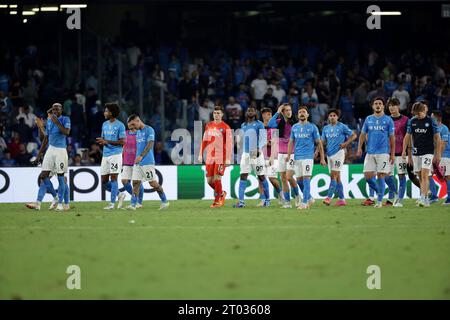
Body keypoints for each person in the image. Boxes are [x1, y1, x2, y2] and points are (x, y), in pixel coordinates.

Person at [31, 103, 71, 211]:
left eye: (57, 109)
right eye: (53, 110)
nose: (55, 111)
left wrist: (56, 122)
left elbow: (67, 132)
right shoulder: (49, 121)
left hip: (61, 150)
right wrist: (38, 155)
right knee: (43, 176)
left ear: (61, 110)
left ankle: (61, 204)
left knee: (61, 177)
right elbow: (45, 138)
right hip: (51, 149)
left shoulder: (65, 119)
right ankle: (56, 197)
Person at [357, 97, 395, 208]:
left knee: (381, 176)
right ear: (373, 106)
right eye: (375, 104)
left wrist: (392, 154)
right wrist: (360, 147)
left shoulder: (388, 120)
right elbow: (363, 134)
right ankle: (381, 193)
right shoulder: (368, 119)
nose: (378, 105)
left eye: (380, 103)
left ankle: (378, 201)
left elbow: (392, 138)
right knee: (367, 176)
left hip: (383, 153)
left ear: (383, 106)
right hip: (370, 152)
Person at [286, 106, 326, 210]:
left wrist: (322, 158)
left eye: (304, 112)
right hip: (297, 157)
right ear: (297, 115)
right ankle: (310, 197)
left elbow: (319, 143)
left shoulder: (312, 127)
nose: (302, 113)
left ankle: (304, 203)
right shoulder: (294, 127)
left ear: (307, 115)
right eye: (300, 112)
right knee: (299, 181)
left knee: (306, 179)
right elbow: (291, 142)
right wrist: (289, 155)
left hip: (308, 157)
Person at [402, 102, 441, 207]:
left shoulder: (431, 121)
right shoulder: (412, 121)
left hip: (428, 152)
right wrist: (403, 150)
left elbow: (437, 137)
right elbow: (407, 135)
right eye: (415, 113)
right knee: (419, 175)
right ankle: (423, 196)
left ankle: (425, 199)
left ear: (422, 111)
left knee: (425, 175)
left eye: (418, 113)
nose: (416, 115)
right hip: (416, 152)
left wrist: (437, 153)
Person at [127, 114, 169, 210]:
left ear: (138, 120)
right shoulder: (138, 132)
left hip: (147, 161)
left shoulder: (149, 129)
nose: (133, 127)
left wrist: (141, 156)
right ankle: (133, 204)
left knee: (153, 183)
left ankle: (164, 201)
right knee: (136, 182)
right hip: (138, 162)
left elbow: (150, 144)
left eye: (133, 125)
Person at [234, 106, 270, 208]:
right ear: (246, 112)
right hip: (246, 154)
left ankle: (267, 199)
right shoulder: (243, 125)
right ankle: (241, 202)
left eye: (252, 110)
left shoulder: (259, 124)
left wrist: (258, 148)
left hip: (257, 154)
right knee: (243, 175)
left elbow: (263, 138)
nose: (250, 112)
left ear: (255, 112)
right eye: (248, 110)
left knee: (261, 176)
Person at [267, 103, 301, 208]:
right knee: (283, 178)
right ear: (283, 112)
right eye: (286, 110)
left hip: (292, 153)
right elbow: (269, 124)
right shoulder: (278, 122)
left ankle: (297, 196)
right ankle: (287, 202)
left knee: (289, 177)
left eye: (290, 110)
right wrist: (277, 112)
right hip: (281, 154)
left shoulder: (295, 123)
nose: (289, 112)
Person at [198, 106, 232, 208]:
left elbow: (229, 144)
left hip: (220, 156)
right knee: (209, 181)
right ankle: (222, 193)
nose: (216, 115)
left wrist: (228, 158)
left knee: (217, 178)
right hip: (210, 156)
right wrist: (200, 154)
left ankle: (217, 201)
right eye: (215, 113)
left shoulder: (226, 127)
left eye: (218, 113)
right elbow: (204, 141)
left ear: (222, 115)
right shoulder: (208, 126)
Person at [321, 109, 357, 206]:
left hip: (339, 153)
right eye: (330, 115)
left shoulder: (342, 126)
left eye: (334, 115)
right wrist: (318, 152)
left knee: (333, 175)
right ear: (328, 117)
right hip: (329, 154)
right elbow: (322, 142)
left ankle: (328, 197)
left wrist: (346, 143)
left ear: (337, 117)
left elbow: (354, 135)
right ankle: (342, 199)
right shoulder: (325, 128)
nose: (332, 117)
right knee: (337, 178)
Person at [96, 103, 126, 210]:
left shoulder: (120, 125)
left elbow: (122, 142)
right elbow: (104, 139)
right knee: (104, 181)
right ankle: (119, 194)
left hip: (116, 155)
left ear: (112, 113)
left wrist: (106, 141)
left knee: (114, 178)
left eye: (106, 111)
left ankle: (112, 204)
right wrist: (102, 142)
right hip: (105, 155)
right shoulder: (104, 124)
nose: (104, 113)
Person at [257, 108, 283, 206]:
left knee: (272, 178)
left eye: (268, 114)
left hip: (273, 156)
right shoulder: (260, 127)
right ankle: (263, 199)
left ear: (271, 115)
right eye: (264, 114)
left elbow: (275, 142)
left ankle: (280, 193)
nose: (266, 116)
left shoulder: (274, 128)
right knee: (260, 178)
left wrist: (272, 156)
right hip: (261, 156)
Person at [387, 98, 409, 207]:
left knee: (401, 176)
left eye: (394, 105)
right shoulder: (385, 120)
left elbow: (408, 137)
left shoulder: (406, 120)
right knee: (387, 176)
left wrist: (407, 151)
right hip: (387, 153)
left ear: (398, 106)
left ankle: (400, 200)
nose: (391, 107)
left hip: (401, 153)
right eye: (390, 105)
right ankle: (395, 194)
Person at [119, 118, 144, 209]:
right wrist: (121, 160)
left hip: (137, 161)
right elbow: (123, 148)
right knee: (124, 181)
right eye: (128, 122)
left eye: (131, 122)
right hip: (126, 161)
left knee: (137, 182)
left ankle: (139, 202)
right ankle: (136, 198)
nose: (129, 124)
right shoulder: (125, 133)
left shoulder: (140, 133)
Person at [431, 110, 450, 205]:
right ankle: (434, 196)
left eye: (432, 117)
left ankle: (449, 198)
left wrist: (438, 156)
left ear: (436, 118)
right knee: (428, 174)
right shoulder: (433, 129)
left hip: (444, 156)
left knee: (447, 176)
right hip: (434, 156)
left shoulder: (444, 128)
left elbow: (443, 143)